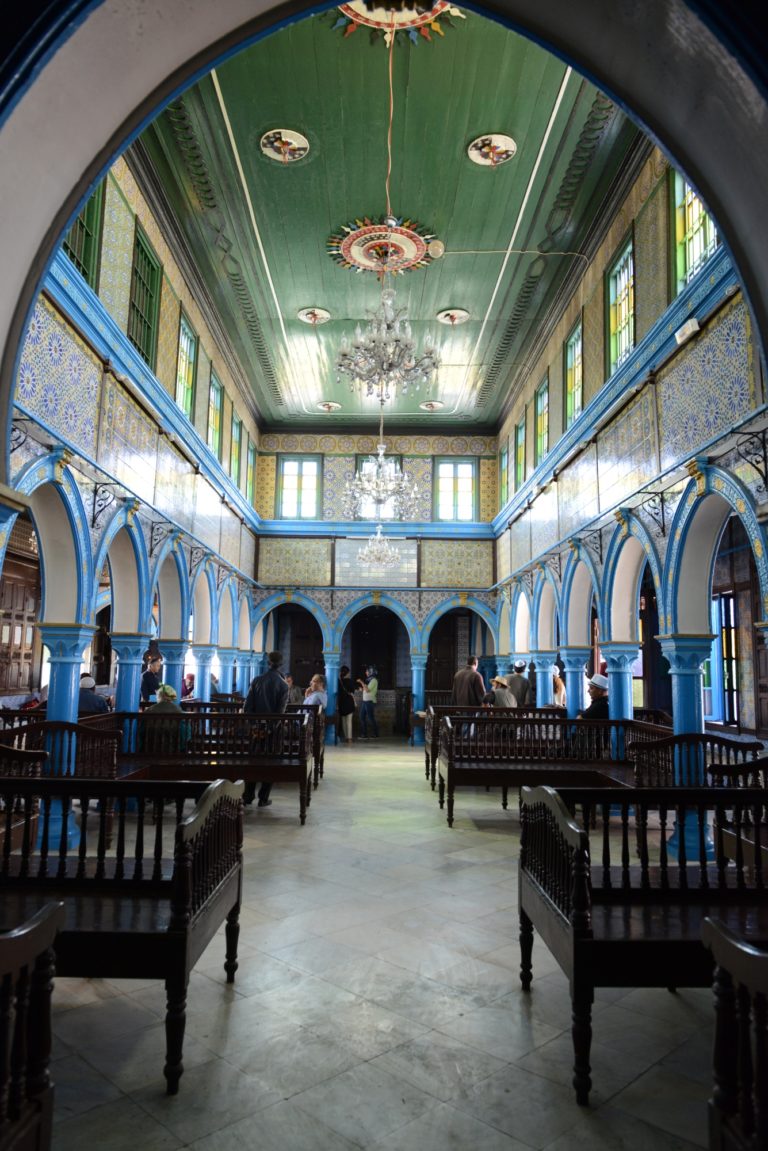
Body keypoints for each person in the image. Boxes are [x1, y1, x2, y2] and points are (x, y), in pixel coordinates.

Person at [243, 650, 289, 807]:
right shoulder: (283, 685)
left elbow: (247, 708)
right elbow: (280, 713)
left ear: (268, 662)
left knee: (253, 761)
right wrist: (268, 729)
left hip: (255, 730)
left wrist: (256, 727)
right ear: (281, 664)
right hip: (273, 732)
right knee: (271, 763)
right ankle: (263, 798)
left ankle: (248, 796)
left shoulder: (257, 680)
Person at [141, 683, 190, 751]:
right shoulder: (179, 711)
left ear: (159, 696)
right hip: (174, 750)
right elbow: (186, 735)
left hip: (149, 749)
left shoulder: (149, 710)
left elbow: (141, 732)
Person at [357, 666, 379, 739]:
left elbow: (367, 690)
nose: (366, 672)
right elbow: (366, 689)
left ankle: (375, 734)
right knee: (362, 717)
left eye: (367, 671)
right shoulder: (369, 680)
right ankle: (364, 734)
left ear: (371, 672)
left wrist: (361, 682)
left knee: (371, 718)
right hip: (365, 701)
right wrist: (362, 689)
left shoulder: (374, 680)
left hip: (370, 701)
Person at [337, 665, 356, 743]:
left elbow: (338, 693)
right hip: (349, 702)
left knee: (344, 721)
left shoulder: (339, 681)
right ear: (347, 673)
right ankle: (349, 738)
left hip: (341, 703)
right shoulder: (350, 681)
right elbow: (352, 691)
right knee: (349, 721)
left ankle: (346, 737)